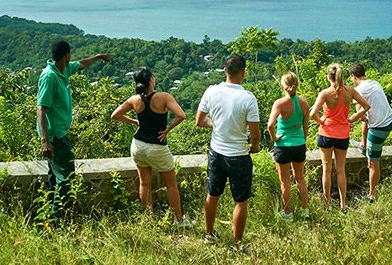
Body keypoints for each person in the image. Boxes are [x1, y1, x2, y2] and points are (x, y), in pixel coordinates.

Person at [37, 40, 112, 220]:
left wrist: (98, 57)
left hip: (61, 134)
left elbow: (82, 64)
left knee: (56, 176)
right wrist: (45, 141)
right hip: (54, 137)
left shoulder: (63, 70)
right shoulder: (49, 77)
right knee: (66, 177)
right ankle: (57, 219)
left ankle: (50, 214)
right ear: (66, 56)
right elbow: (41, 108)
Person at [110, 67, 191, 227]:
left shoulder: (134, 100)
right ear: (151, 80)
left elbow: (115, 115)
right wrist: (167, 129)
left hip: (138, 145)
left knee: (144, 184)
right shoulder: (164, 97)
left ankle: (150, 219)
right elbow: (181, 115)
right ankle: (178, 221)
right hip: (157, 147)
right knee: (171, 185)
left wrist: (134, 121)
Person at [196, 54, 260, 252]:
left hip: (216, 153)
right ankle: (237, 244)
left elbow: (199, 121)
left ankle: (209, 235)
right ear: (243, 73)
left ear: (224, 71)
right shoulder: (248, 98)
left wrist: (217, 126)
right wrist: (255, 147)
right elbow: (255, 133)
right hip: (239, 156)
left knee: (212, 195)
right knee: (240, 201)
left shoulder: (211, 91)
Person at [310, 63, 370, 212]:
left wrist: (321, 121)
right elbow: (366, 106)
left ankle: (327, 204)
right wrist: (353, 118)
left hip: (326, 134)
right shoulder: (350, 91)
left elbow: (312, 114)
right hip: (343, 135)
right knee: (341, 170)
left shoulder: (325, 93)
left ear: (329, 77)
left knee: (327, 170)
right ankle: (343, 205)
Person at [349, 63, 392, 202]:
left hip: (379, 129)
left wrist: (350, 120)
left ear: (353, 76)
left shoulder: (359, 91)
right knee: (366, 119)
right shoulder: (374, 83)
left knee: (373, 162)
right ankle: (363, 145)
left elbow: (362, 116)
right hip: (390, 120)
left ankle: (371, 196)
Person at [267, 72, 310, 221]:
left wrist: (275, 138)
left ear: (283, 86)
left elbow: (270, 125)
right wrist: (303, 142)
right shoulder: (304, 103)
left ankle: (288, 213)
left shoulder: (280, 103)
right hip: (299, 144)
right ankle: (305, 209)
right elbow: (306, 126)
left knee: (285, 181)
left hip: (284, 146)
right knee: (300, 178)